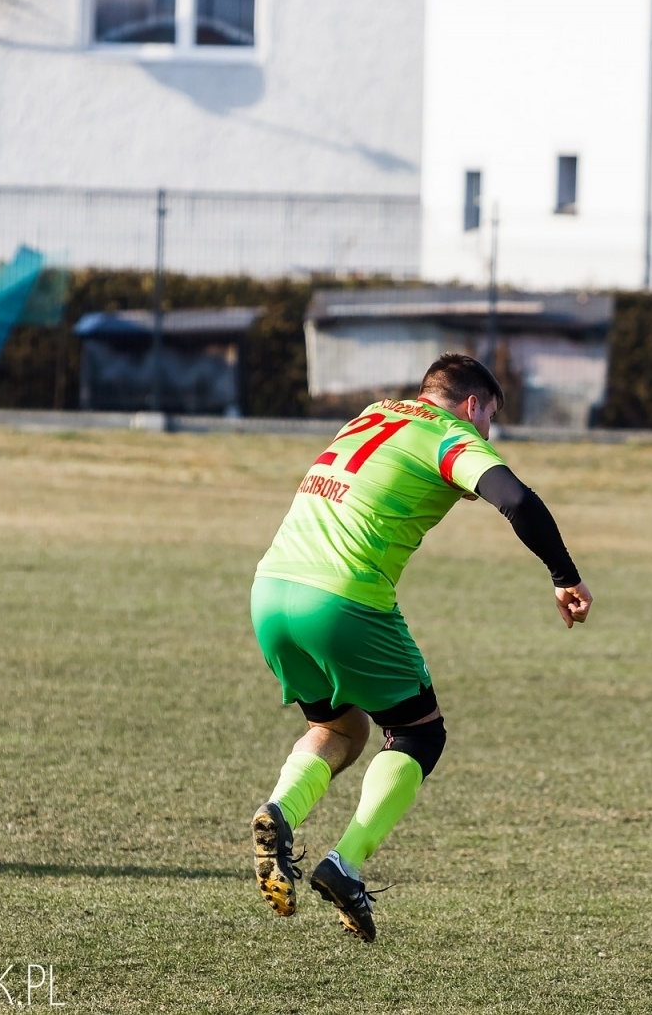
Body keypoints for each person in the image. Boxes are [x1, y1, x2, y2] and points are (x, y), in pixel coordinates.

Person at [248, 353, 593, 941]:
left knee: (340, 730)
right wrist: (565, 575)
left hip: (271, 589)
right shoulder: (452, 434)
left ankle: (278, 811)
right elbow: (517, 500)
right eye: (490, 418)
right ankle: (345, 863)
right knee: (418, 733)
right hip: (341, 600)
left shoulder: (372, 413)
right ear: (471, 405)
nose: (488, 433)